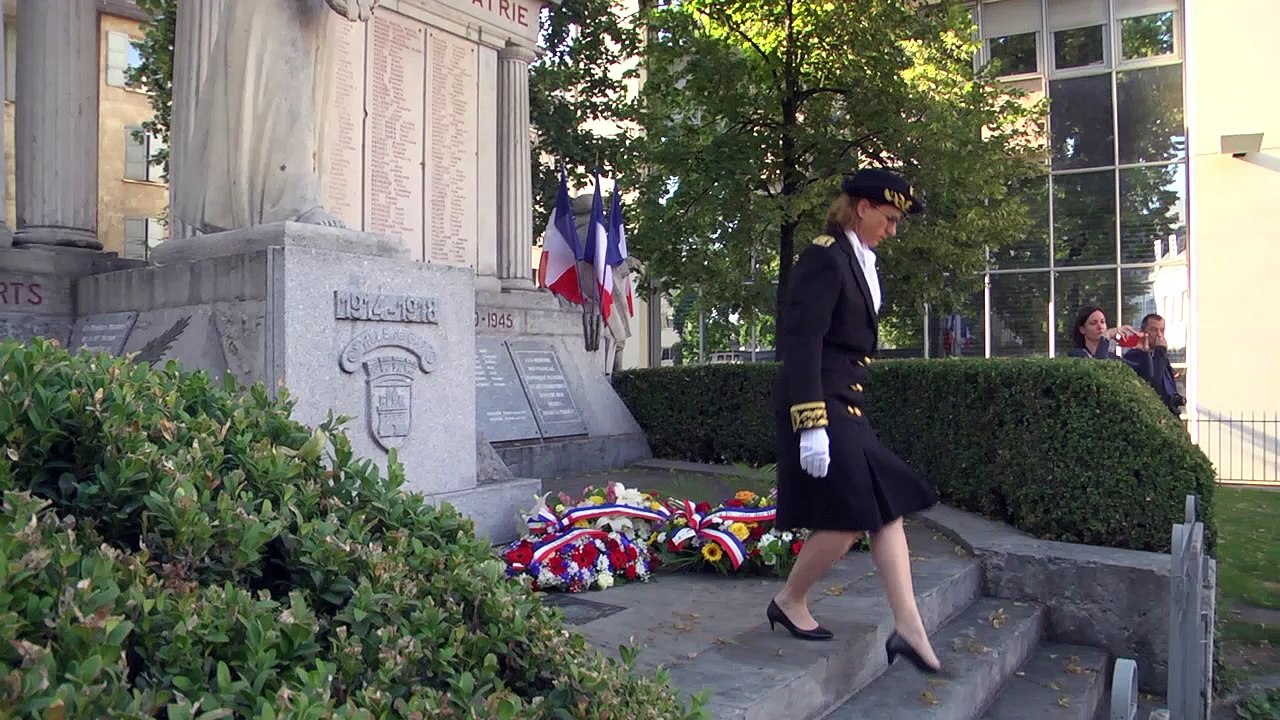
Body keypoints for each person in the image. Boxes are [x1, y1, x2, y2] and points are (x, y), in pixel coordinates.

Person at [770, 168, 942, 676]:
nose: (892, 230)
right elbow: (802, 342)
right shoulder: (826, 256)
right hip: (821, 403)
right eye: (888, 219)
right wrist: (811, 423)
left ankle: (907, 626)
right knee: (853, 517)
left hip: (848, 405)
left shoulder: (859, 260)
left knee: (883, 507)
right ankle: (791, 599)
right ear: (862, 208)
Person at [1123, 313, 1184, 415]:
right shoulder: (1135, 356)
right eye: (1154, 330)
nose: (1159, 334)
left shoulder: (1161, 357)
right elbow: (1154, 381)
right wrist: (1161, 351)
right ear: (1143, 332)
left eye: (1162, 330)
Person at [1065, 306, 1140, 361]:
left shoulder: (1111, 356)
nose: (1100, 326)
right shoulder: (1076, 354)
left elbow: (1145, 374)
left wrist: (1143, 351)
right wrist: (1106, 336)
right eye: (1093, 323)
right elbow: (1100, 368)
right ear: (1082, 329)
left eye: (1102, 322)